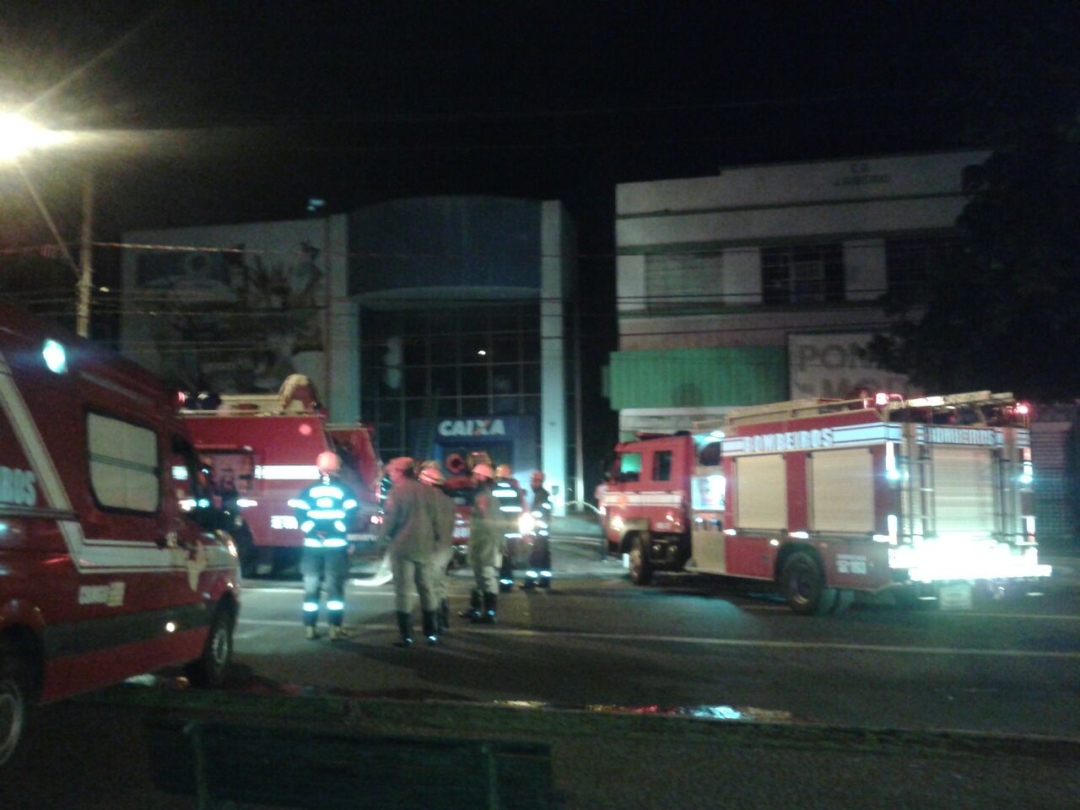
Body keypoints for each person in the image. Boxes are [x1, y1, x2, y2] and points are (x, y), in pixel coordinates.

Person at [288, 451, 359, 641]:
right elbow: (351, 513)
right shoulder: (345, 490)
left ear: (319, 468)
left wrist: (314, 531)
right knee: (335, 588)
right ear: (337, 468)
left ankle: (309, 628)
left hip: (312, 546)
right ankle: (335, 627)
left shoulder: (308, 490)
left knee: (311, 588)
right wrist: (334, 529)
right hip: (336, 547)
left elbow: (300, 514)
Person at [379, 456, 440, 646]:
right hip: (425, 546)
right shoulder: (428, 491)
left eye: (391, 471)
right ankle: (431, 632)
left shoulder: (396, 492)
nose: (390, 475)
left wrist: (381, 538)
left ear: (399, 472)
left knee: (404, 590)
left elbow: (390, 520)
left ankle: (406, 636)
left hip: (403, 547)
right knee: (426, 587)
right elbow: (436, 519)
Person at [459, 462, 500, 624]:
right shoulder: (487, 495)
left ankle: (489, 613)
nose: (472, 479)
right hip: (483, 541)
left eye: (475, 475)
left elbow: (487, 520)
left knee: (486, 576)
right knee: (480, 577)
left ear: (483, 477)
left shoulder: (483, 496)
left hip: (485, 542)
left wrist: (494, 541)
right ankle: (477, 609)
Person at [419, 461, 456, 634]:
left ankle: (433, 625)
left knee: (429, 586)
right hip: (445, 548)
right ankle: (443, 617)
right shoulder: (448, 501)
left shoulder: (425, 501)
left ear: (427, 482)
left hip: (431, 548)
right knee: (440, 583)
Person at [493, 463, 528, 593]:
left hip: (499, 531)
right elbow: (522, 509)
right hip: (513, 532)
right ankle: (507, 582)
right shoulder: (515, 491)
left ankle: (502, 584)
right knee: (508, 558)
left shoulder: (494, 489)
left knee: (501, 558)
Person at [523, 470, 554, 589]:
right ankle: (545, 581)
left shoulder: (541, 495)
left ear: (540, 482)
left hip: (539, 532)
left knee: (535, 557)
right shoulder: (543, 494)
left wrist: (532, 532)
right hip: (543, 532)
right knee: (544, 557)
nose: (532, 483)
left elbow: (537, 515)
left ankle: (530, 582)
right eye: (531, 481)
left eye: (534, 481)